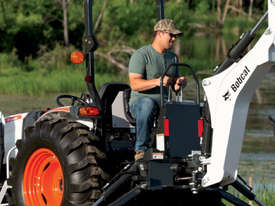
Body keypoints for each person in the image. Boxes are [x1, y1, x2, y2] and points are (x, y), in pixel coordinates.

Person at [128, 19, 187, 161]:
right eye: (171, 35)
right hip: (140, 104)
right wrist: (157, 82)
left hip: (163, 103)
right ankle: (140, 150)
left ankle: (183, 151)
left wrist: (179, 83)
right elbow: (134, 84)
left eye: (175, 36)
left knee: (186, 108)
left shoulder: (173, 58)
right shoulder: (141, 55)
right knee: (148, 104)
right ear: (160, 34)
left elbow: (174, 85)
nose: (174, 39)